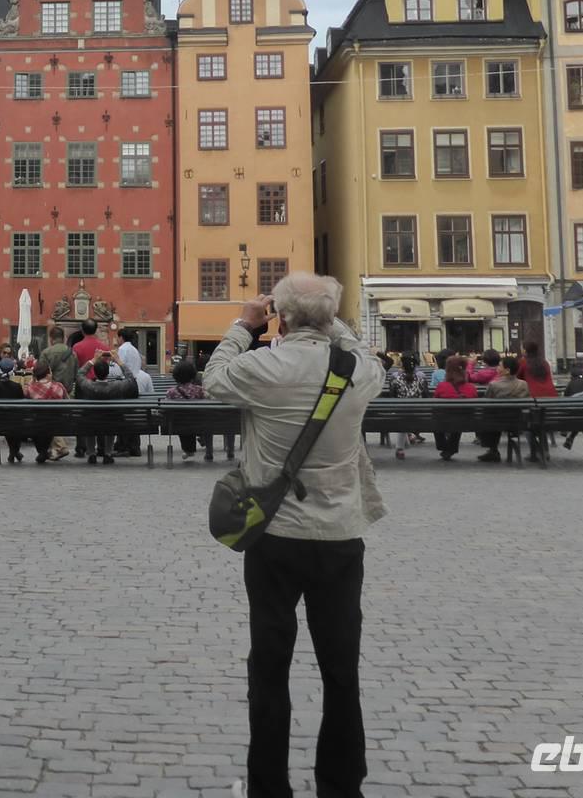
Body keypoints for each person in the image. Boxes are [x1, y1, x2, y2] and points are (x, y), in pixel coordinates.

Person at [201, 274, 385, 798]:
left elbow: (215, 378)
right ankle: (341, 784)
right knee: (341, 670)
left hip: (275, 535)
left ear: (279, 317)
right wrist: (335, 321)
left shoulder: (262, 367)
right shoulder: (358, 371)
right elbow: (353, 347)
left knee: (270, 667)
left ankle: (269, 787)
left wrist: (243, 324)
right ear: (330, 318)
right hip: (339, 535)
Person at [75, 356, 136, 464]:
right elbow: (131, 378)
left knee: (90, 423)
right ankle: (108, 453)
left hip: (91, 421)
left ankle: (91, 453)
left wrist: (93, 359)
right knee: (111, 423)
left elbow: (79, 374)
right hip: (111, 422)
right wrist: (119, 361)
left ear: (94, 372)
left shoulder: (88, 386)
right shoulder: (116, 386)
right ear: (108, 373)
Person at [478, 356, 530, 463]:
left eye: (500, 366)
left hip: (497, 421)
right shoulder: (524, 384)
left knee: (489, 415)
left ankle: (493, 450)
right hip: (518, 421)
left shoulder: (494, 385)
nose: (497, 368)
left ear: (507, 370)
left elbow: (486, 401)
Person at [515, 343, 558, 463]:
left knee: (527, 425)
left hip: (533, 399)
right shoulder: (544, 363)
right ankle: (544, 451)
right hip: (551, 399)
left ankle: (538, 450)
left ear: (525, 350)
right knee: (541, 423)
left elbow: (517, 378)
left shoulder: (523, 362)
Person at [431, 355, 477, 460]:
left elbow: (434, 406)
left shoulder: (442, 386)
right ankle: (451, 448)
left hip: (444, 421)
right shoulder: (471, 388)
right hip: (467, 422)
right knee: (459, 418)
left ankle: (443, 446)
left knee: (437, 418)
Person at [24, 359, 69, 461]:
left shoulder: (31, 389)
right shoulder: (59, 386)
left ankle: (43, 452)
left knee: (39, 424)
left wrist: (32, 381)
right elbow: (68, 402)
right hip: (57, 422)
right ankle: (46, 451)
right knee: (51, 421)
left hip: (37, 423)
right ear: (48, 373)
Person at [165, 358, 208, 459]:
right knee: (192, 420)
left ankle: (188, 450)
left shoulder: (171, 392)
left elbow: (165, 408)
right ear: (193, 375)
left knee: (183, 422)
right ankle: (192, 447)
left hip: (178, 423)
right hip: (198, 422)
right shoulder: (199, 390)